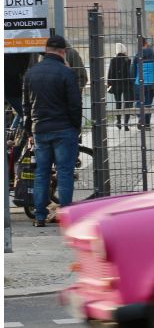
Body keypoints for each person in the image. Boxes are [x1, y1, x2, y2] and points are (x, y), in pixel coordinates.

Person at [22, 35, 82, 226]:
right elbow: (75, 105)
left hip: (40, 129)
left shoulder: (31, 73)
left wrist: (29, 131)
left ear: (46, 50)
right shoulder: (67, 73)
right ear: (63, 52)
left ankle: (39, 216)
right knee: (64, 173)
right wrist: (76, 126)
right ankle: (66, 217)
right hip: (64, 128)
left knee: (42, 173)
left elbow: (26, 106)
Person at [135, 37, 154, 129]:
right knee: (148, 103)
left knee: (138, 102)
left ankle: (141, 117)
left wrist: (134, 80)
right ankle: (147, 124)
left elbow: (133, 69)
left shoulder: (137, 55)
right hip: (150, 83)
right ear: (146, 43)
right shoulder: (153, 54)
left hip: (139, 83)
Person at [108, 44, 133, 130]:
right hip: (126, 84)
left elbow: (110, 72)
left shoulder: (113, 60)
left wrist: (109, 83)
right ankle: (126, 124)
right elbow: (130, 73)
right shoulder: (128, 60)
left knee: (118, 103)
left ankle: (118, 121)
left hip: (116, 84)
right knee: (127, 103)